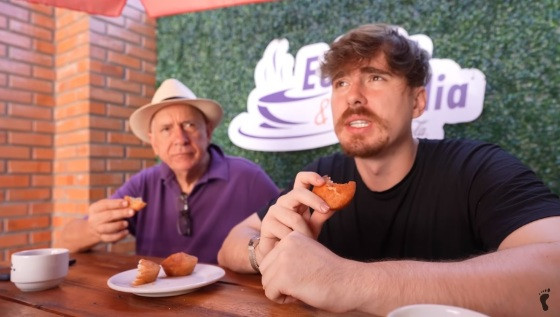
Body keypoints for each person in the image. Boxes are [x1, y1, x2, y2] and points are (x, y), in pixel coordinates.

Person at [217, 24, 560, 316]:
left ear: (418, 101)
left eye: (375, 77)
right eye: (340, 83)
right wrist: (262, 251)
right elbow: (232, 241)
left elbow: (553, 271)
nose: (353, 97)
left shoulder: (476, 168)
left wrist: (348, 281)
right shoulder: (321, 178)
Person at [57, 78, 280, 264]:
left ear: (208, 132)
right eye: (166, 129)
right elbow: (64, 242)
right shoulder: (143, 184)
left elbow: (291, 235)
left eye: (189, 125)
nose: (180, 140)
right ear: (154, 142)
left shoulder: (248, 178)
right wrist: (94, 229)